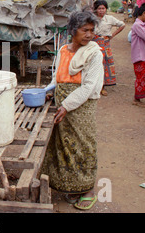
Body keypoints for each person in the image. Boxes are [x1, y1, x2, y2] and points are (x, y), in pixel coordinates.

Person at [41, 11, 104, 211]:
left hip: (81, 107)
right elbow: (57, 77)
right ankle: (71, 186)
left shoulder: (94, 53)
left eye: (91, 30)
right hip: (62, 105)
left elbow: (88, 87)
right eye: (84, 30)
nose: (89, 34)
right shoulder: (63, 51)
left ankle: (87, 190)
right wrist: (46, 92)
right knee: (62, 146)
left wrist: (67, 106)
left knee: (83, 144)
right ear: (72, 30)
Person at [92, 0, 125, 96]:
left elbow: (122, 25)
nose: (101, 11)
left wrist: (112, 35)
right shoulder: (92, 19)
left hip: (105, 44)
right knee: (95, 64)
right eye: (99, 9)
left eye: (103, 8)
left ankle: (103, 86)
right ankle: (94, 86)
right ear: (96, 10)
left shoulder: (109, 19)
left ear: (106, 9)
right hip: (94, 43)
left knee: (105, 64)